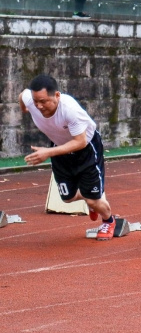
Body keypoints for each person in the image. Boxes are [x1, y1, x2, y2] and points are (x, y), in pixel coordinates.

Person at [18, 74, 116, 241]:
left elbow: (80, 142)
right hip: (60, 148)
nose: (39, 106)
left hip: (86, 149)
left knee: (93, 200)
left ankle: (108, 220)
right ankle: (90, 195)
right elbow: (22, 94)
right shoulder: (31, 99)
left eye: (44, 101)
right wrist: (24, 108)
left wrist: (47, 153)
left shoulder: (70, 110)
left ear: (57, 95)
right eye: (36, 102)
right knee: (67, 197)